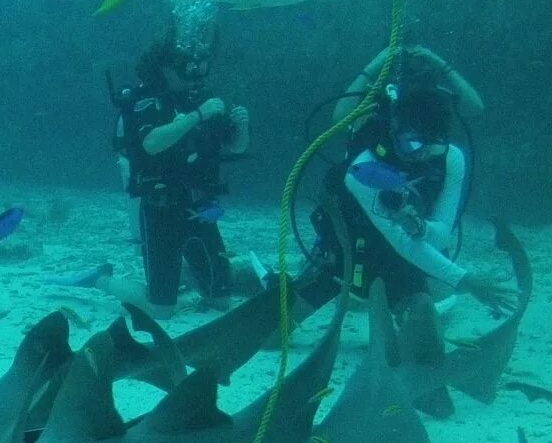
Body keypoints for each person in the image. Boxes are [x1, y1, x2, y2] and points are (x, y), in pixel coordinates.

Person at [301, 48, 513, 312]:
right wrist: (464, 279)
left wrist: (420, 228)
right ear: (393, 128)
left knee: (423, 337)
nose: (422, 154)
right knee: (274, 334)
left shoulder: (451, 158)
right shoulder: (364, 168)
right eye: (411, 143)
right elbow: (399, 239)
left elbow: (441, 235)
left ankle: (413, 296)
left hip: (405, 260)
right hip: (346, 250)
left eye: (432, 145)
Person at [108, 36, 251, 313]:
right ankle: (102, 280)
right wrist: (197, 115)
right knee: (161, 308)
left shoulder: (201, 100)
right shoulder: (146, 102)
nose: (194, 74)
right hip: (160, 210)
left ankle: (181, 271)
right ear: (164, 68)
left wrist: (242, 126)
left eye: (198, 66)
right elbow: (151, 143)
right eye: (185, 66)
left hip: (199, 207)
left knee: (220, 300)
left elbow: (234, 145)